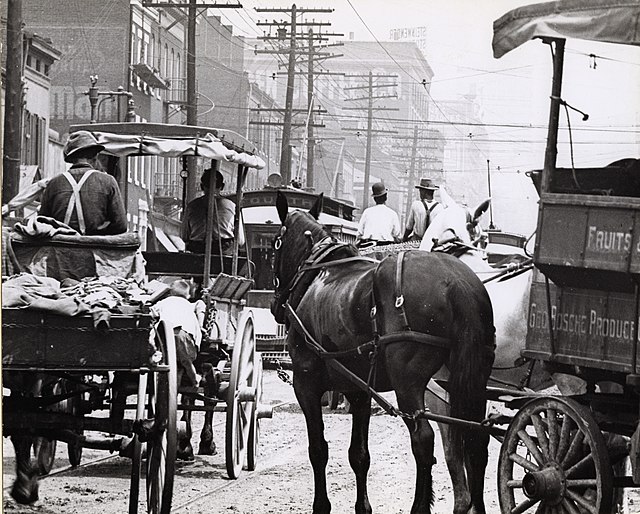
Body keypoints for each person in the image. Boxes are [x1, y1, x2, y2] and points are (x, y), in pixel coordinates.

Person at [39, 130, 127, 235]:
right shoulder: (108, 181)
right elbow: (121, 226)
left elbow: (42, 223)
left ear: (71, 158)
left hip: (60, 247)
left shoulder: (54, 183)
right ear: (95, 157)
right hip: (96, 248)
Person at [181, 163, 244, 255]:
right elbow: (240, 240)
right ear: (222, 186)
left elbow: (184, 236)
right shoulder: (232, 206)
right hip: (223, 253)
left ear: (202, 186)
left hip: (197, 252)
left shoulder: (192, 206)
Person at [402, 177, 444, 242]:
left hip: (417, 241)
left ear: (423, 192)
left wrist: (404, 238)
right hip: (431, 243)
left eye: (420, 190)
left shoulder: (416, 205)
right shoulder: (440, 208)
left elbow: (409, 227)